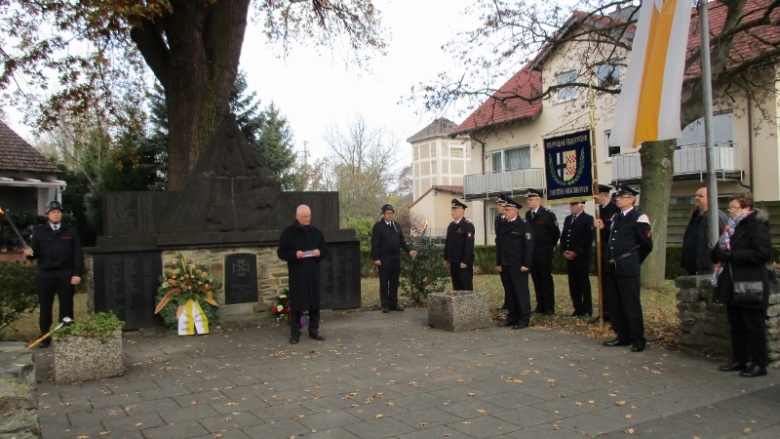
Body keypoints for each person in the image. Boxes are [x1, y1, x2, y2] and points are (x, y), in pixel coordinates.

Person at [711, 192, 772, 377]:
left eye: (733, 208)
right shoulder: (731, 228)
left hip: (750, 283)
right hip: (731, 283)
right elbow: (718, 251)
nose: (730, 212)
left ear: (746, 208)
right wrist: (718, 254)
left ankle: (759, 363)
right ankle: (739, 359)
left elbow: (762, 254)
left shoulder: (756, 227)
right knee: (736, 325)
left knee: (754, 326)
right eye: (729, 208)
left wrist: (732, 255)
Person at [23, 200, 83, 349]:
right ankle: (45, 335)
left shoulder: (70, 230)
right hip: (45, 274)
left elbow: (77, 254)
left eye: (58, 212)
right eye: (53, 212)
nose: (56, 214)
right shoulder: (39, 231)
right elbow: (35, 254)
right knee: (45, 306)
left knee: (67, 305)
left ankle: (66, 334)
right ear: (47, 215)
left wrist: (77, 273)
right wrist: (29, 254)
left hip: (66, 273)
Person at [602, 185, 653, 352]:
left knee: (631, 304)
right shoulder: (616, 217)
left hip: (628, 266)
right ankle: (622, 335)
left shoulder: (639, 217)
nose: (618, 199)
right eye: (617, 196)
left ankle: (637, 338)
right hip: (613, 266)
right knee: (615, 303)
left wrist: (633, 259)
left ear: (631, 199)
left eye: (622, 197)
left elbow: (646, 245)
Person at [277, 205, 330, 344]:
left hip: (313, 272)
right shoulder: (288, 233)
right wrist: (294, 254)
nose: (307, 219)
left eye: (308, 216)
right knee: (297, 303)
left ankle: (314, 330)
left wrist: (320, 253)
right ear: (297, 216)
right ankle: (295, 333)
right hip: (297, 273)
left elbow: (325, 250)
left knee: (314, 303)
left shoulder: (316, 232)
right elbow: (281, 252)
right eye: (304, 216)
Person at [495, 196, 534, 329]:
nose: (504, 212)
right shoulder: (504, 225)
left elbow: (529, 246)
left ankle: (524, 318)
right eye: (504, 210)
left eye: (507, 210)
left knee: (520, 291)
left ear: (514, 211)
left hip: (518, 264)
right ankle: (512, 316)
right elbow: (499, 244)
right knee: (510, 292)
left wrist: (526, 264)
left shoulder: (523, 225)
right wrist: (499, 262)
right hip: (506, 264)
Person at [371, 204, 417, 313]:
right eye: (387, 213)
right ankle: (385, 304)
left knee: (394, 281)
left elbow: (401, 241)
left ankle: (393, 303)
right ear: (383, 214)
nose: (389, 215)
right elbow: (375, 244)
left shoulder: (396, 225)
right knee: (384, 282)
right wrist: (376, 258)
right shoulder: (378, 226)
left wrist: (409, 251)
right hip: (384, 259)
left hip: (396, 258)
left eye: (391, 213)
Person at [524, 188, 560, 315]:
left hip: (544, 251)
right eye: (527, 199)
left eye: (530, 199)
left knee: (545, 279)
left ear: (538, 200)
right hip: (532, 252)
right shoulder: (528, 215)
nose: (528, 201)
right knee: (536, 279)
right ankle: (540, 305)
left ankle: (549, 307)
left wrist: (550, 246)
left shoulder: (548, 215)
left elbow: (555, 233)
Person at [682, 187, 728, 275]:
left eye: (700, 196)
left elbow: (723, 241)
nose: (696, 198)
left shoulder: (717, 218)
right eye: (696, 195)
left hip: (707, 270)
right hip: (693, 269)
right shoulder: (696, 216)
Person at [560, 200, 595, 318]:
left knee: (583, 283)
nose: (571, 207)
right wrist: (564, 250)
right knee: (573, 283)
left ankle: (587, 309)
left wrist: (576, 252)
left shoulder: (588, 219)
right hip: (570, 256)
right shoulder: (568, 219)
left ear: (581, 206)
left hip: (582, 257)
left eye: (573, 205)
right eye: (570, 205)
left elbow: (588, 238)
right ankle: (577, 307)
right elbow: (564, 235)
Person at [594, 184, 619, 323]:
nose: (595, 199)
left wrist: (604, 227)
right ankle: (604, 311)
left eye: (596, 196)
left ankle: (611, 312)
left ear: (602, 195)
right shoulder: (600, 210)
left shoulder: (615, 209)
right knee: (603, 283)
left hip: (612, 252)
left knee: (611, 284)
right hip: (602, 251)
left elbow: (617, 231)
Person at [444, 199, 475, 291]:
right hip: (453, 261)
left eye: (455, 210)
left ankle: (469, 305)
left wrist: (465, 261)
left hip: (463, 262)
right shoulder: (451, 226)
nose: (452, 212)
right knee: (456, 287)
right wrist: (446, 258)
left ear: (462, 211)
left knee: (465, 286)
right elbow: (448, 243)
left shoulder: (468, 226)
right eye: (452, 210)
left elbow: (469, 245)